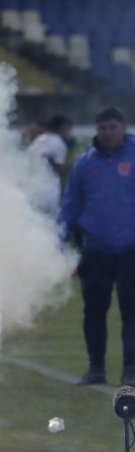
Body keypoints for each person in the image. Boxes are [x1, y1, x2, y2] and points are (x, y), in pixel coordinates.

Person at [61, 106, 135, 386]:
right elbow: (71, 205)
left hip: (131, 249)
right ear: (97, 130)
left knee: (132, 312)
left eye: (113, 127)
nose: (107, 133)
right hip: (95, 250)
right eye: (103, 128)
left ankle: (130, 369)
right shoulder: (84, 164)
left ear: (123, 127)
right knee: (93, 311)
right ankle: (96, 369)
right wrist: (60, 238)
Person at [27, 115, 74, 217]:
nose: (70, 133)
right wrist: (76, 160)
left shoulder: (40, 139)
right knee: (50, 226)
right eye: (69, 130)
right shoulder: (58, 142)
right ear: (63, 128)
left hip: (31, 189)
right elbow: (59, 170)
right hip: (47, 192)